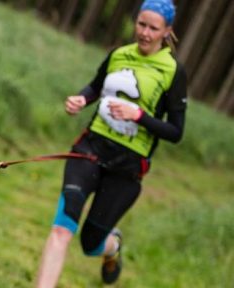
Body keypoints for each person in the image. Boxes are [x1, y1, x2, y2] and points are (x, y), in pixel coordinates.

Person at [35, 0, 187, 286]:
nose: (144, 32)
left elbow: (176, 131)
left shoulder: (172, 71)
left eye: (153, 28)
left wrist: (139, 115)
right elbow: (96, 86)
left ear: (167, 31)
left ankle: (112, 246)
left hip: (127, 167)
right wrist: (82, 99)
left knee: (91, 243)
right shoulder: (119, 54)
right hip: (90, 150)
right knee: (61, 230)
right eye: (141, 24)